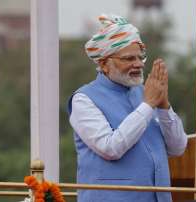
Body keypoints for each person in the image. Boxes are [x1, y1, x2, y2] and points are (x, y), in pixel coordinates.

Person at [67, 14, 187, 202]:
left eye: (141, 57)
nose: (138, 64)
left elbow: (178, 148)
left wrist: (163, 106)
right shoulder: (83, 99)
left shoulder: (147, 93)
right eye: (129, 58)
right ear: (104, 64)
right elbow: (110, 148)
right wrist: (148, 105)